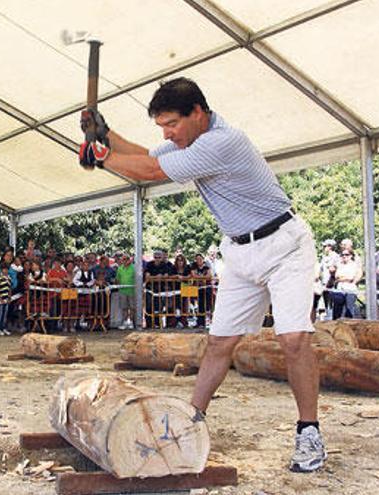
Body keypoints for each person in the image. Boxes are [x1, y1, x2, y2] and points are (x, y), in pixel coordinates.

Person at [78, 77, 325, 472]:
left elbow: (151, 171)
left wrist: (100, 156)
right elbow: (146, 155)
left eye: (172, 124)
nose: (167, 133)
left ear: (198, 113)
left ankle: (309, 432)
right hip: (240, 251)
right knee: (218, 343)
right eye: (162, 126)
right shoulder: (189, 141)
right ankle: (191, 422)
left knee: (293, 338)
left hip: (284, 245)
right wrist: (105, 134)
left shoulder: (220, 142)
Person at [333, 248, 362, 318]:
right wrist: (345, 278)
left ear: (351, 255)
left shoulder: (354, 265)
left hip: (350, 289)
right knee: (337, 309)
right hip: (339, 288)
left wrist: (344, 278)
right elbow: (336, 276)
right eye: (342, 255)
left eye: (346, 254)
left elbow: (351, 277)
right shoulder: (339, 265)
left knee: (349, 309)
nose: (344, 256)